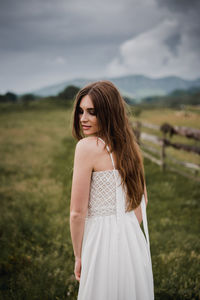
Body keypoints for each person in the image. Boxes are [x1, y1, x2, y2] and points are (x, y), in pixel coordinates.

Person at [70, 80, 154, 300]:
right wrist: (124, 230)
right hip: (132, 239)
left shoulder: (86, 147)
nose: (83, 119)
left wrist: (78, 256)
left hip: (100, 239)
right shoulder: (131, 148)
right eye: (81, 111)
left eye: (92, 112)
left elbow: (77, 213)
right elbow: (142, 202)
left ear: (108, 113)